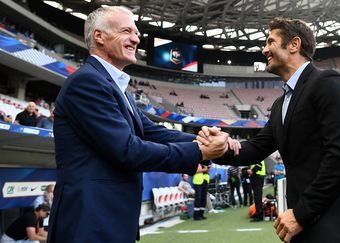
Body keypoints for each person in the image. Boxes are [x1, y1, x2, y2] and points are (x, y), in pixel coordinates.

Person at [48, 6, 228, 243]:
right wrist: (199, 150)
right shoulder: (87, 82)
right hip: (89, 224)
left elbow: (154, 133)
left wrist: (211, 140)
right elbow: (128, 150)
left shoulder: (116, 87)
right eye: (126, 31)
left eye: (136, 32)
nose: (136, 38)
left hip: (109, 221)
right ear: (99, 37)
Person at [200, 17, 340, 242]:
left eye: (270, 41)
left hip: (335, 224)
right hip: (303, 225)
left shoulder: (327, 82)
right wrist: (218, 148)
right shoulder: (280, 104)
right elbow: (255, 148)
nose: (264, 49)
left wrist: (301, 214)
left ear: (294, 44)